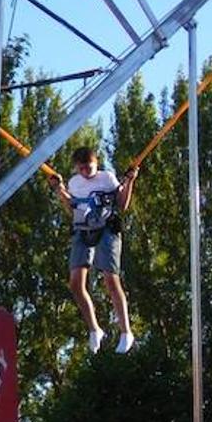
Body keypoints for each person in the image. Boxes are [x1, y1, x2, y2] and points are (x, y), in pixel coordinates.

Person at [50, 146, 138, 354]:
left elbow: (122, 205)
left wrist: (130, 181)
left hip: (107, 227)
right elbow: (71, 207)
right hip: (83, 230)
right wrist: (59, 190)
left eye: (88, 168)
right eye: (81, 169)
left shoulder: (107, 178)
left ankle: (126, 331)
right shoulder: (74, 183)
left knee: (110, 278)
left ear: (96, 163)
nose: (85, 172)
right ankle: (94, 329)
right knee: (75, 283)